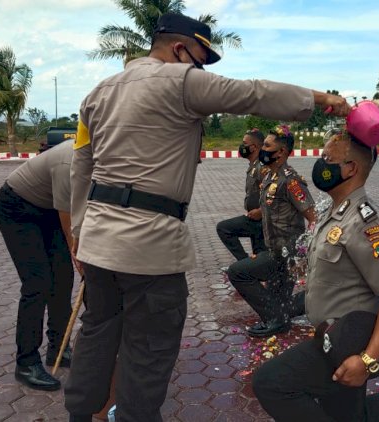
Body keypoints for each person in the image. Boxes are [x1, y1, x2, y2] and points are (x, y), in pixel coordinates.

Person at [64, 13, 350, 422]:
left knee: (96, 331)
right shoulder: (180, 80)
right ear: (181, 49)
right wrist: (323, 100)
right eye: (200, 58)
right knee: (148, 349)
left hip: (97, 241)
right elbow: (253, 93)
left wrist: (78, 234)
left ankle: (79, 414)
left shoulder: (97, 93)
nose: (201, 70)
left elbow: (81, 168)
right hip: (148, 247)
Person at [253, 131, 379, 421]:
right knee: (345, 413)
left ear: (351, 168)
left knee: (270, 383)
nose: (320, 163)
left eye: (328, 159)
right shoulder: (332, 212)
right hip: (329, 339)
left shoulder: (367, 224)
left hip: (349, 343)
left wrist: (367, 360)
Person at [0, 139, 78, 391]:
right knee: (38, 282)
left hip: (47, 207)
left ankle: (58, 350)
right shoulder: (69, 160)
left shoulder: (102, 158)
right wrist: (79, 254)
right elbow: (68, 219)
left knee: (63, 279)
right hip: (16, 207)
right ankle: (26, 363)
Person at [228, 126, 315, 337]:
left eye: (267, 146)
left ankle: (276, 321)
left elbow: (314, 218)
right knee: (281, 305)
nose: (263, 150)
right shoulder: (269, 176)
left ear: (281, 152)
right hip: (274, 249)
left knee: (238, 272)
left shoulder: (291, 181)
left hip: (286, 253)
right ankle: (312, 301)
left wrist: (302, 253)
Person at [216, 129, 267, 264]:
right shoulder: (254, 165)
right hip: (254, 218)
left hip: (262, 220)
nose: (241, 146)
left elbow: (275, 193)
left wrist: (261, 211)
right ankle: (249, 266)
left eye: (244, 143)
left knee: (224, 228)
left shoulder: (262, 167)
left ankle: (245, 263)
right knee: (260, 257)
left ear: (254, 147)